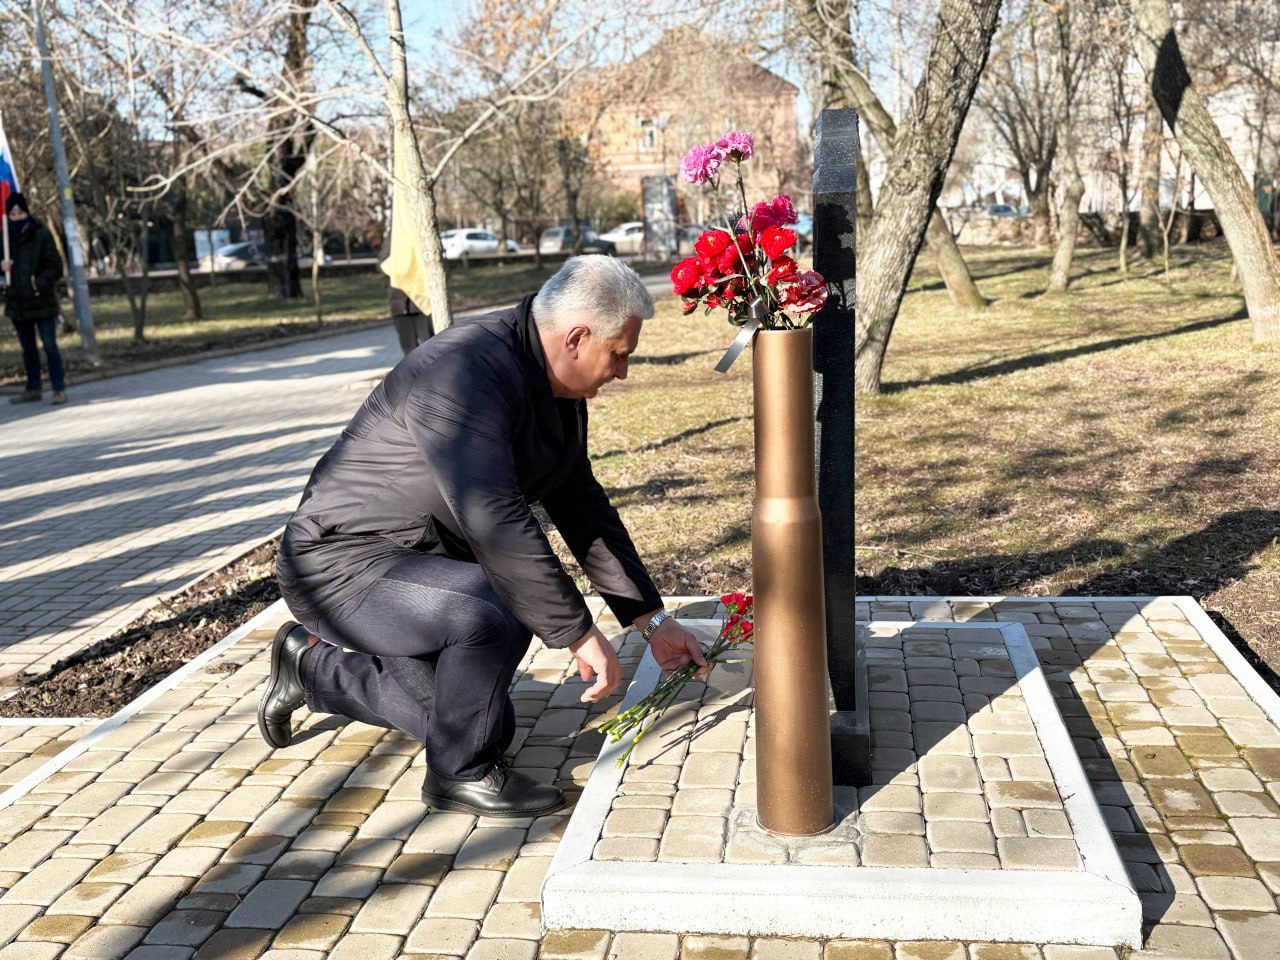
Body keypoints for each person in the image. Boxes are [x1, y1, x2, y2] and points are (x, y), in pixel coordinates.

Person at [261, 255, 707, 818]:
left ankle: (308, 666)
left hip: (423, 572)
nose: (622, 372)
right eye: (619, 354)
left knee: (481, 720)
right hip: (340, 567)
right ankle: (459, 776)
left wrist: (651, 619)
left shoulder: (556, 388)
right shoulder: (463, 371)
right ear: (575, 338)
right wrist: (575, 631)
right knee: (493, 614)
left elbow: (579, 504)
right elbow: (493, 518)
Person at [2, 193, 67, 405]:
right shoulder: (4, 239)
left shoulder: (41, 235)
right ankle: (33, 387)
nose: (17, 217)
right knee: (28, 349)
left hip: (41, 301)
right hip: (17, 302)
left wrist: (38, 283)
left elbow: (55, 267)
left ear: (27, 212)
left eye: (20, 213)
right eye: (13, 214)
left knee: (49, 346)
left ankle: (58, 388)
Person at [380, 230, 433, 355]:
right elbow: (381, 263)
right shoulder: (393, 237)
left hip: (422, 304)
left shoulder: (424, 234)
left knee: (431, 349)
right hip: (400, 306)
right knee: (409, 353)